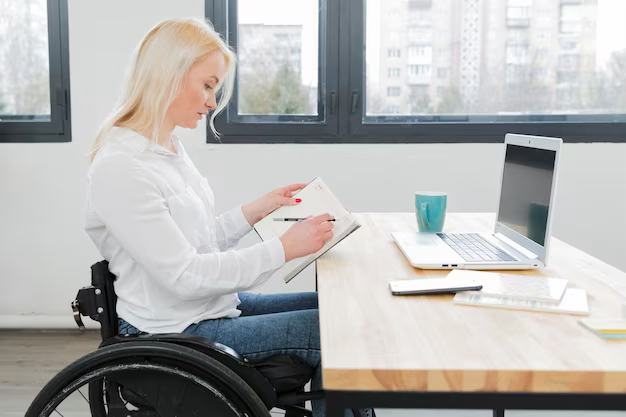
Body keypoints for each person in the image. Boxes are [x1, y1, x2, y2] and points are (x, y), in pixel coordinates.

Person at [84, 17, 372, 417]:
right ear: (168, 74)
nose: (211, 102)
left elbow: (198, 240)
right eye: (207, 85)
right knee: (335, 330)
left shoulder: (166, 149)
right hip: (176, 331)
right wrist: (283, 249)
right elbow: (184, 275)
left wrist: (257, 210)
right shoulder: (121, 167)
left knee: (339, 307)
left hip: (207, 307)